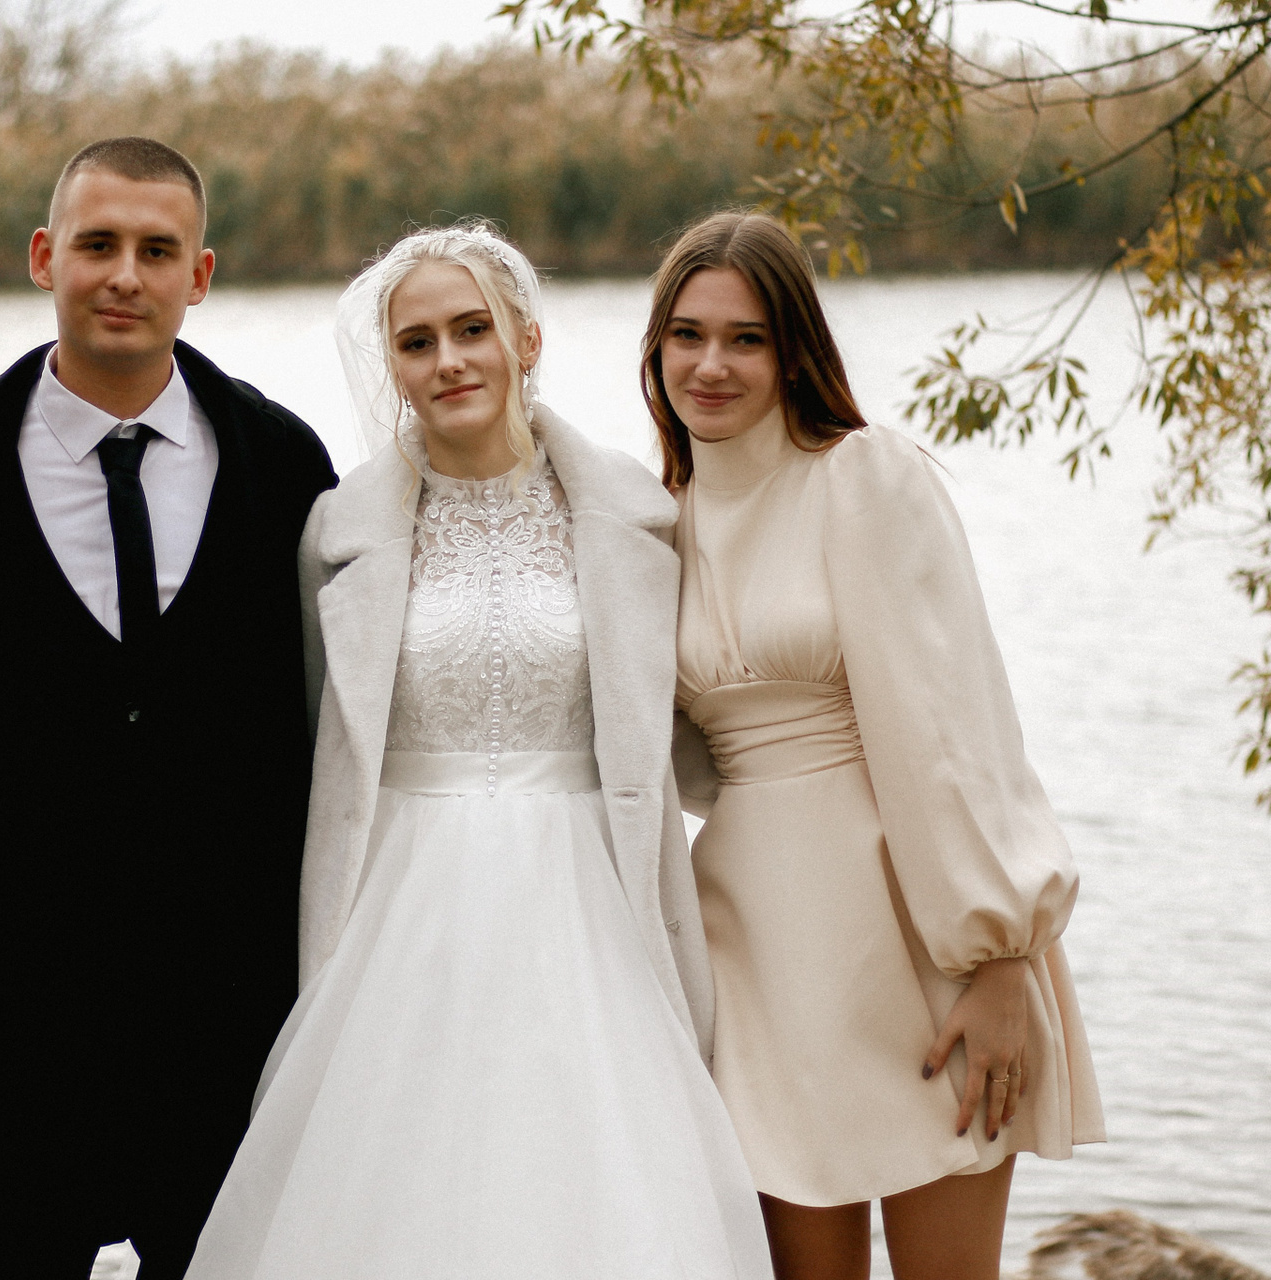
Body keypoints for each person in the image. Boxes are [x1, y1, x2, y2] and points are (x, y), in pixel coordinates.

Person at [183, 223, 774, 1279]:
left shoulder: (637, 516)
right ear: (393, 365)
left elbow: (694, 721)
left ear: (525, 339)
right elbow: (320, 731)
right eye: (417, 343)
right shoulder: (335, 534)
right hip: (399, 914)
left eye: (472, 330)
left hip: (592, 908)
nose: (448, 360)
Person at [0, 137, 337, 1279]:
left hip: (226, 1035)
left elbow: (321, 727)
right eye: (98, 245)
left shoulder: (286, 463)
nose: (125, 276)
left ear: (202, 274)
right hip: (5, 1040)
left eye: (157, 250)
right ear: (45, 256)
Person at [653, 211, 1105, 1280]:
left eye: (747, 338)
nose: (711, 365)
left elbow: (955, 725)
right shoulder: (656, 520)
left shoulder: (862, 477)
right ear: (655, 348)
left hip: (920, 942)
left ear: (795, 352)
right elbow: (667, 759)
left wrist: (1000, 956)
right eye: (687, 334)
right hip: (755, 954)